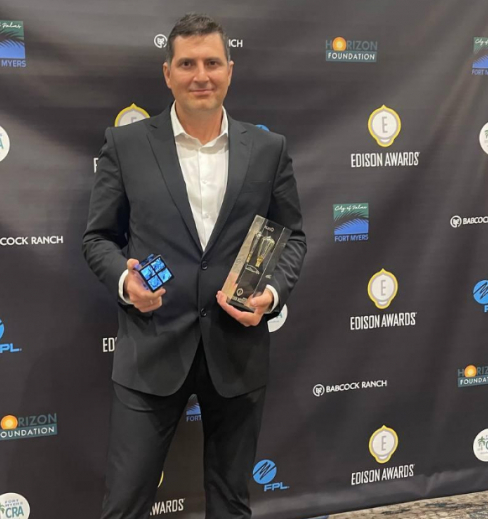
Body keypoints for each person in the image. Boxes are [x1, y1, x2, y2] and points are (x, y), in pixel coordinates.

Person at [83, 12, 306, 519]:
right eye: (187, 64)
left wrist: (271, 295)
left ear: (230, 70)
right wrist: (125, 282)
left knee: (230, 502)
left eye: (211, 62)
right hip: (152, 347)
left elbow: (292, 237)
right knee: (125, 503)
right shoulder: (126, 145)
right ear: (168, 73)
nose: (200, 75)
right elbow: (98, 238)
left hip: (238, 350)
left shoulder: (268, 149)